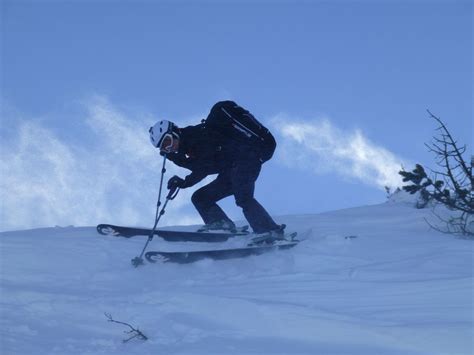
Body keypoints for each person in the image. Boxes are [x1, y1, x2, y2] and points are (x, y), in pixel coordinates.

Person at [149, 100, 285, 237]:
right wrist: (182, 174)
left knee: (243, 197)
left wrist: (185, 181)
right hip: (232, 168)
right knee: (200, 198)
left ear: (175, 131)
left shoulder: (196, 135)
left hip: (247, 157)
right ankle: (222, 225)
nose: (169, 147)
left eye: (168, 141)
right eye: (164, 147)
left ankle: (269, 231)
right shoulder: (188, 146)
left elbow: (205, 166)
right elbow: (204, 165)